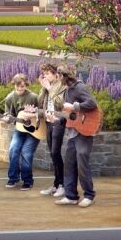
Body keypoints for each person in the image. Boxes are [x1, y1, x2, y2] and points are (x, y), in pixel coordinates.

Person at [53, 65, 100, 207]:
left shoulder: (79, 87)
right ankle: (71, 196)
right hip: (73, 133)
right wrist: (56, 118)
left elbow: (92, 103)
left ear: (63, 76)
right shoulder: (67, 90)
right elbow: (69, 115)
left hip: (84, 132)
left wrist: (74, 107)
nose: (57, 78)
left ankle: (89, 195)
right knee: (69, 164)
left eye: (58, 76)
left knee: (82, 163)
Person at [0, 74, 43, 190]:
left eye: (22, 87)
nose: (20, 89)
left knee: (26, 152)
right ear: (14, 85)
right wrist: (6, 119)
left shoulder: (34, 97)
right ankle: (13, 178)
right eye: (17, 87)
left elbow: (42, 112)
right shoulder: (10, 98)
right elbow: (8, 114)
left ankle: (28, 180)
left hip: (35, 129)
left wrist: (33, 116)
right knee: (13, 149)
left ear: (26, 85)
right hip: (19, 128)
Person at [33, 63, 68, 197]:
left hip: (58, 122)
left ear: (55, 74)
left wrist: (49, 88)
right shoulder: (47, 87)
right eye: (44, 74)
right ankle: (55, 184)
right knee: (52, 154)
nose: (45, 76)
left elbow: (59, 104)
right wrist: (44, 88)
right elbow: (39, 101)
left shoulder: (62, 86)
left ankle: (62, 185)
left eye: (48, 74)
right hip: (48, 123)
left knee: (55, 152)